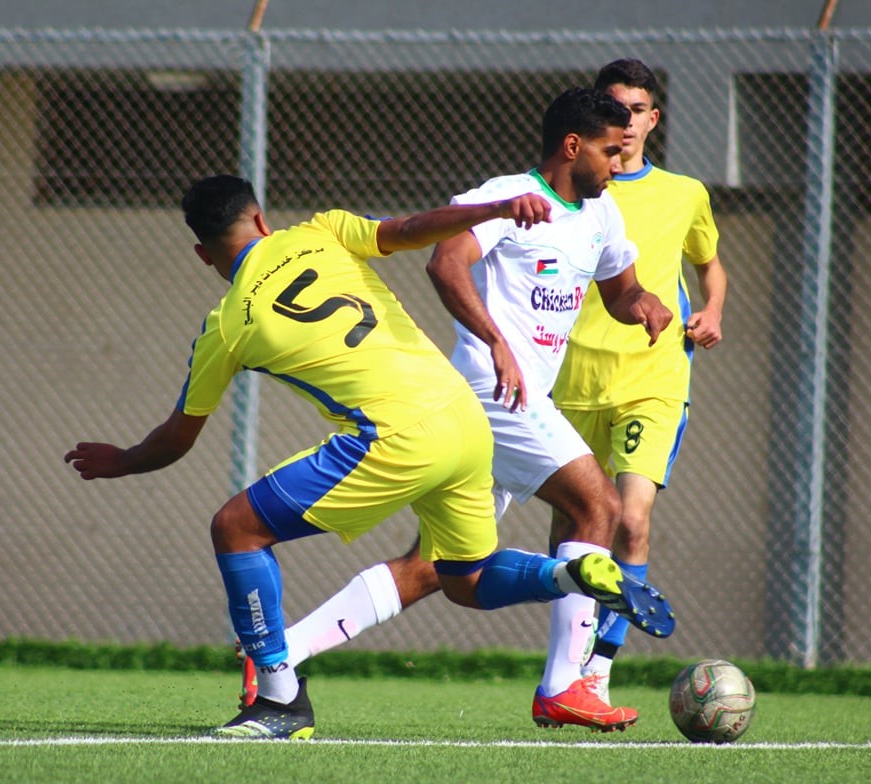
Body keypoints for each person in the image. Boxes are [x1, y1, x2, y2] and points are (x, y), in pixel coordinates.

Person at [63, 172, 674, 741]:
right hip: (467, 416)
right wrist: (492, 210)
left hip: (394, 437)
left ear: (203, 254)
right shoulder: (322, 230)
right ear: (262, 218)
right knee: (465, 580)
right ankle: (567, 574)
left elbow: (176, 439)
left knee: (236, 528)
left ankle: (279, 699)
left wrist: (122, 460)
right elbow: (410, 230)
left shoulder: (226, 325)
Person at [243, 87, 676, 733]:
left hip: (515, 403)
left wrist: (643, 303)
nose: (619, 163)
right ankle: (565, 686)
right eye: (611, 151)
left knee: (435, 569)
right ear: (572, 146)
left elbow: (621, 289)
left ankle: (279, 655)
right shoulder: (509, 196)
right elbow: (446, 263)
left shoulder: (602, 213)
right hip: (491, 392)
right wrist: (495, 342)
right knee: (599, 506)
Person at [550, 59, 728, 712]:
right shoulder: (572, 191)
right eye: (614, 109)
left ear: (654, 119)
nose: (625, 123)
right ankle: (564, 667)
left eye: (637, 111)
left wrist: (712, 311)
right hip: (572, 383)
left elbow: (711, 266)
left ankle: (598, 668)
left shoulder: (685, 194)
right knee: (574, 529)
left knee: (630, 520)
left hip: (653, 379)